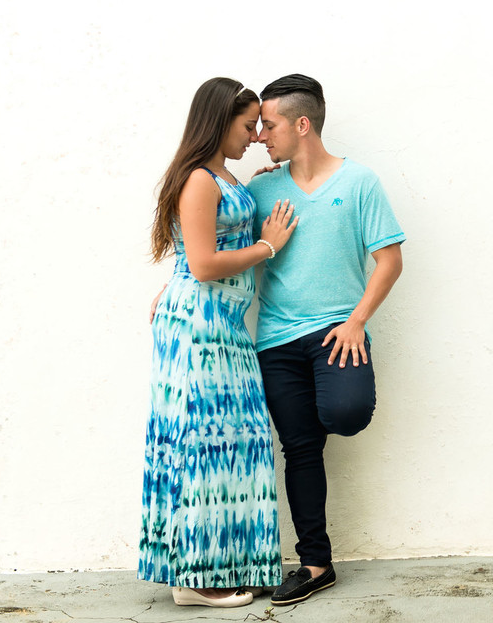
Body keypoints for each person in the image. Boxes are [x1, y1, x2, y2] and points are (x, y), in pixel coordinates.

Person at [140, 78, 299, 608]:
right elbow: (205, 264)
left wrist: (264, 186)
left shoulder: (221, 178)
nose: (255, 134)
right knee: (201, 444)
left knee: (229, 443)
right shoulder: (199, 180)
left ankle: (208, 569)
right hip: (199, 325)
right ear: (217, 121)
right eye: (247, 123)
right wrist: (265, 247)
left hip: (220, 325)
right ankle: (197, 578)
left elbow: (199, 250)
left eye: (258, 124)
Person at [248, 74, 405, 606]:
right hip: (275, 340)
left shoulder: (359, 183)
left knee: (346, 413)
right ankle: (316, 564)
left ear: (302, 124)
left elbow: (390, 259)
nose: (258, 136)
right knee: (299, 450)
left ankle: (318, 416)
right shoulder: (262, 188)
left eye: (268, 126)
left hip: (338, 331)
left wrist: (357, 320)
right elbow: (219, 244)